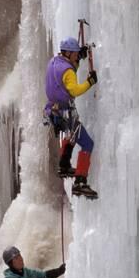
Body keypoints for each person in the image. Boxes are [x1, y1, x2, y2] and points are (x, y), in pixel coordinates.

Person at [44, 36, 98, 199]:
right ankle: (80, 182)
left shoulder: (54, 63)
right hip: (67, 113)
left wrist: (79, 57)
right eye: (74, 54)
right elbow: (74, 89)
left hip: (55, 111)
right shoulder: (68, 71)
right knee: (87, 143)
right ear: (68, 53)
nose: (76, 56)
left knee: (72, 136)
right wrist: (90, 82)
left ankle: (64, 165)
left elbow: (62, 78)